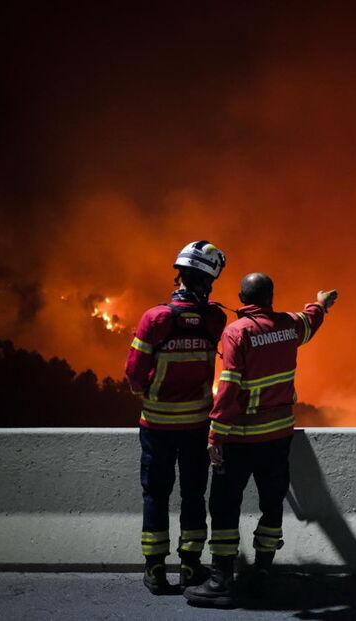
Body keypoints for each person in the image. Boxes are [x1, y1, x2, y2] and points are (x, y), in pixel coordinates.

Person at [184, 272, 338, 607]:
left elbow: (227, 388)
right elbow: (309, 321)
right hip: (278, 437)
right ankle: (262, 574)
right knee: (271, 504)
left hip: (240, 438)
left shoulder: (236, 332)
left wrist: (215, 434)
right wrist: (321, 303)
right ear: (271, 296)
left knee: (224, 507)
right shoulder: (287, 326)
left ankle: (221, 581)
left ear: (241, 297)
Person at [125, 241, 229, 594]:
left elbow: (134, 372)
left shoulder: (154, 318)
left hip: (156, 426)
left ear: (180, 274)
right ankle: (190, 565)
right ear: (208, 280)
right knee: (194, 494)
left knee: (155, 493)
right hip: (197, 427)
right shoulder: (214, 319)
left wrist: (147, 393)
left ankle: (154, 568)